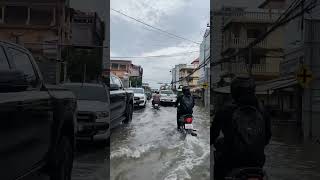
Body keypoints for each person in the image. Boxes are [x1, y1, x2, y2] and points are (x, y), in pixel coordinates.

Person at [211, 76, 271, 180]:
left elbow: (212, 135)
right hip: (258, 162)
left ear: (234, 91)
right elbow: (268, 137)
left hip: (231, 161)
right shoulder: (262, 110)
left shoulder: (225, 110)